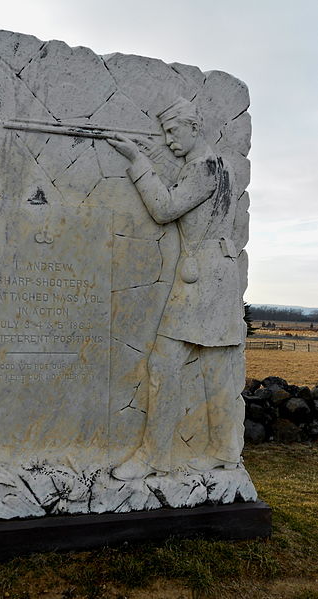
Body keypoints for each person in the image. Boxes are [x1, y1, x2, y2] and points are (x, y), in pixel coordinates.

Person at [108, 97, 246, 480]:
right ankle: (225, 452)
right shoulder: (218, 165)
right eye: (165, 132)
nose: (169, 140)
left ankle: (156, 456)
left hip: (204, 275)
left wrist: (139, 162)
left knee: (165, 362)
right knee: (215, 367)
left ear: (194, 127)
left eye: (174, 131)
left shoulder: (203, 168)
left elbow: (165, 208)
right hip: (215, 271)